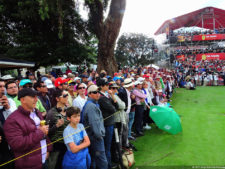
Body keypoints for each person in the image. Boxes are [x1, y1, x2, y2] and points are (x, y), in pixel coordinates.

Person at [3, 88, 52, 169]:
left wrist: (48, 149)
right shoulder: (12, 120)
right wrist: (40, 132)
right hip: (28, 165)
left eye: (37, 97)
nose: (36, 100)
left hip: (43, 160)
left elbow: (45, 134)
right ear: (23, 100)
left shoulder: (37, 112)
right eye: (33, 97)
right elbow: (17, 144)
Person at [82, 85, 108, 169]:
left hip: (92, 137)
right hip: (95, 137)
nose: (98, 94)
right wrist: (99, 136)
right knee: (102, 160)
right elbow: (94, 124)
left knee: (94, 159)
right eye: (95, 92)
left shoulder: (92, 104)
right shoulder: (91, 106)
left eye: (98, 92)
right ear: (89, 94)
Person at [46, 90, 69, 169]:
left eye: (67, 95)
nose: (67, 97)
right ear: (57, 98)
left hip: (68, 143)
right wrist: (57, 125)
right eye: (64, 96)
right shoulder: (51, 113)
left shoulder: (68, 110)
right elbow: (46, 132)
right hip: (57, 146)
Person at [98, 78, 117, 169]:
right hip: (107, 123)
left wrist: (112, 95)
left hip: (110, 122)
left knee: (110, 144)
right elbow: (113, 109)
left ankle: (110, 162)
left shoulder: (107, 95)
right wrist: (113, 101)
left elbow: (116, 105)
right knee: (107, 146)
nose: (108, 86)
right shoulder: (102, 98)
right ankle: (108, 165)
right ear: (102, 86)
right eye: (106, 85)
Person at [0, 79, 17, 169]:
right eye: (0, 87)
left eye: (3, 86)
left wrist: (7, 108)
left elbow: (15, 119)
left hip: (9, 139)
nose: (2, 89)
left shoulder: (10, 101)